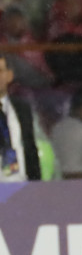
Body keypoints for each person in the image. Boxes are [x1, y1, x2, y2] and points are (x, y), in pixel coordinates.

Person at [0, 54, 41, 183]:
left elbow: (31, 149)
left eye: (0, 71)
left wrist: (36, 185)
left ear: (9, 75)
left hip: (22, 185)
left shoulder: (22, 108)